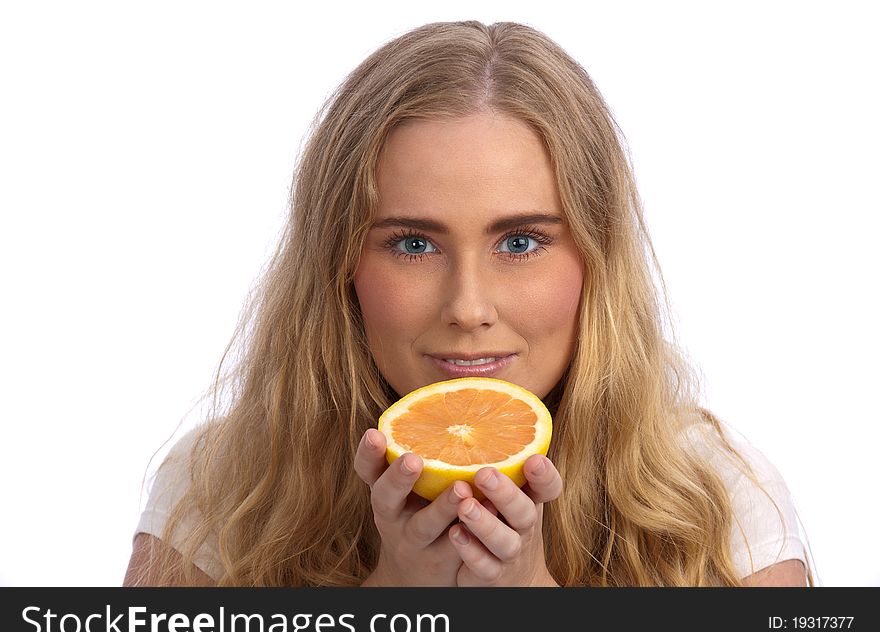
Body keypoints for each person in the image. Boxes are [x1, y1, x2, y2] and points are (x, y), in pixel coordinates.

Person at [124, 20, 814, 587]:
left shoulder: (720, 502)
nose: (468, 306)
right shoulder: (220, 493)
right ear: (338, 264)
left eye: (519, 241)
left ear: (597, 258)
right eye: (413, 245)